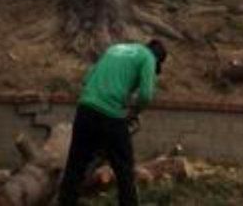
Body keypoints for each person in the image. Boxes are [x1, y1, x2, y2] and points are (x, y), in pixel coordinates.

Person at [58, 39, 167, 205]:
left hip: (85, 108)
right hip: (111, 114)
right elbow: (146, 95)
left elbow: (87, 79)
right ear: (157, 59)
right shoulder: (148, 57)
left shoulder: (114, 49)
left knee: (75, 164)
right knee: (124, 169)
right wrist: (134, 112)